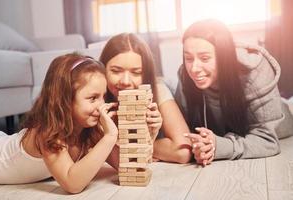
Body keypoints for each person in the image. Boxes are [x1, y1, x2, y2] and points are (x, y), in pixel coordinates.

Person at [0, 53, 118, 194]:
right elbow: (73, 184)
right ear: (65, 99)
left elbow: (123, 165)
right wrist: (109, 137)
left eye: (103, 97)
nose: (101, 106)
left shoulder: (91, 127)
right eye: (93, 98)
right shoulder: (47, 132)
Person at [175, 19, 293, 166]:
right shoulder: (185, 75)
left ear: (223, 57)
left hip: (278, 123)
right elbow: (182, 131)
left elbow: (268, 141)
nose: (194, 68)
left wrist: (222, 147)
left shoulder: (254, 72)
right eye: (188, 58)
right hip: (228, 130)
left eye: (205, 58)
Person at [99, 33, 192, 165]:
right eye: (116, 71)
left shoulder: (158, 90)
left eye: (136, 72)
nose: (126, 81)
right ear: (103, 70)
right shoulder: (95, 96)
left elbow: (182, 152)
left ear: (146, 74)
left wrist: (136, 147)